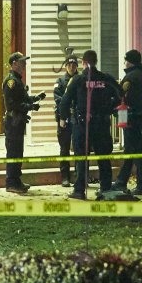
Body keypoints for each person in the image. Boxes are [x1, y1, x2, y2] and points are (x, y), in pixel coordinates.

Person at [60, 49, 120, 200]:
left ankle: (79, 190)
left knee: (81, 158)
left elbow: (65, 101)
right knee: (103, 157)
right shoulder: (106, 79)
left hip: (83, 125)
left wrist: (64, 118)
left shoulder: (78, 80)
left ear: (83, 63)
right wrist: (109, 108)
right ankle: (105, 188)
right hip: (101, 124)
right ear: (96, 62)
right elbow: (120, 96)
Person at [112, 49, 142, 196]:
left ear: (129, 61)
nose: (124, 62)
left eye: (125, 60)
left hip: (131, 118)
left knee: (137, 151)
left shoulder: (130, 77)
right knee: (130, 150)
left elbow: (120, 96)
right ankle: (121, 181)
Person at [2, 51, 44, 194]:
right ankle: (11, 183)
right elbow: (12, 104)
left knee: (18, 152)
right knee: (13, 153)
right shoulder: (11, 81)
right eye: (22, 62)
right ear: (14, 64)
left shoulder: (18, 80)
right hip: (13, 122)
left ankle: (16, 180)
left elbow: (23, 99)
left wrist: (36, 98)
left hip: (18, 122)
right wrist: (30, 107)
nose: (24, 64)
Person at [53, 55, 78, 188]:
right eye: (69, 65)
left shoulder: (81, 79)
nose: (71, 67)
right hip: (64, 118)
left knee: (80, 149)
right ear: (66, 66)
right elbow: (58, 98)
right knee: (64, 148)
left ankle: (80, 176)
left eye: (74, 65)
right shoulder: (60, 81)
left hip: (78, 119)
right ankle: (65, 177)